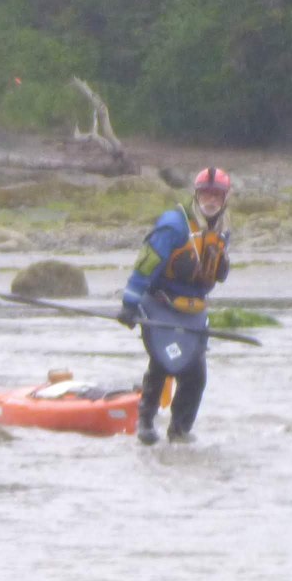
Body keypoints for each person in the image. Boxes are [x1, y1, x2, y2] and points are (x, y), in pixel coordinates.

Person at [118, 167, 231, 445]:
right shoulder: (174, 225)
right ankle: (145, 422)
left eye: (217, 195)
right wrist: (129, 304)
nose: (211, 200)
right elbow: (145, 265)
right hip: (160, 304)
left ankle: (179, 430)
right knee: (162, 363)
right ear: (196, 193)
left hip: (192, 309)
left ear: (225, 198)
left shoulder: (223, 229)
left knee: (195, 374)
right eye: (206, 193)